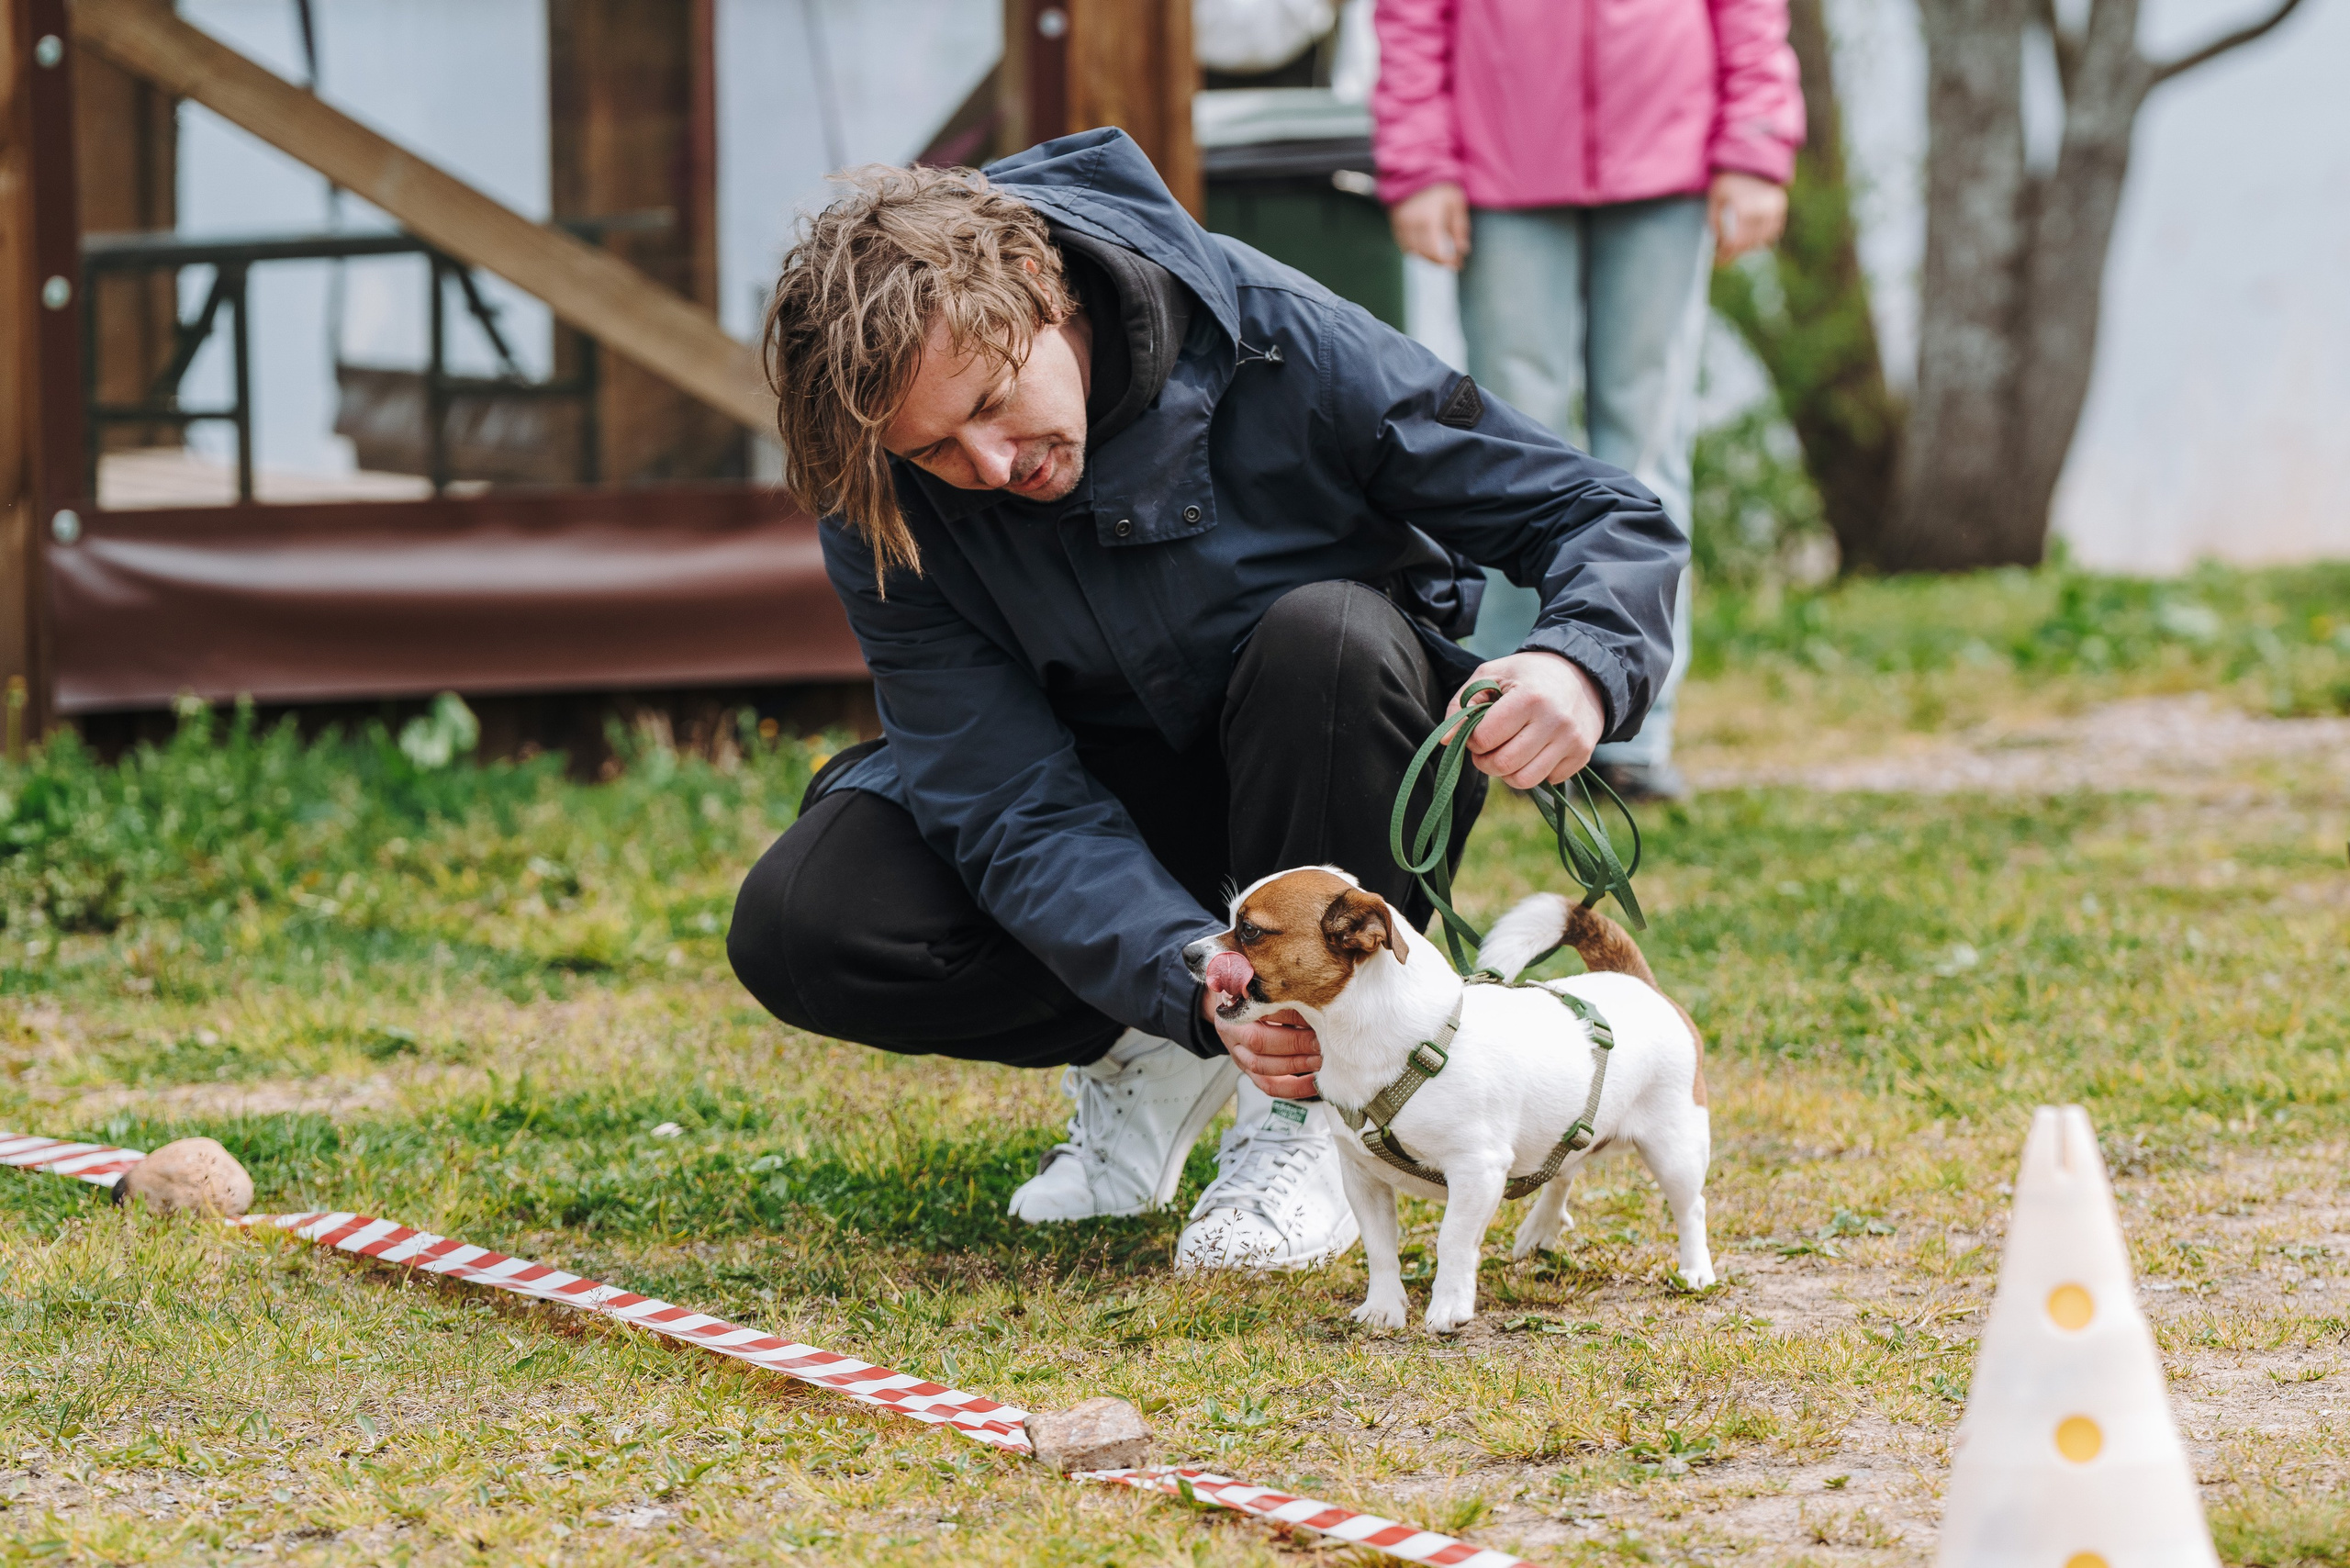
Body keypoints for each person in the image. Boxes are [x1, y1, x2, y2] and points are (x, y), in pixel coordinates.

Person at [727, 128, 1683, 1270]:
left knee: (1325, 637)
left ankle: (1301, 1120)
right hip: (1104, 812)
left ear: (1038, 285)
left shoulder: (1279, 335)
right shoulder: (881, 498)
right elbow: (1002, 800)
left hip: (1323, 755)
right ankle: (1172, 1043)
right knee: (807, 924)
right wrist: (1191, 980)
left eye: (992, 399)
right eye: (935, 450)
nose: (988, 467)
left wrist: (1580, 660)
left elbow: (1599, 514)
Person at [1374, 0, 1804, 800]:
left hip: (1668, 162)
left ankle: (1634, 725)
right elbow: (1411, 18)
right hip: (1502, 166)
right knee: (1504, 455)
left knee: (1646, 447)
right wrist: (1420, 165)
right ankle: (1503, 717)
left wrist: (1753, 146)